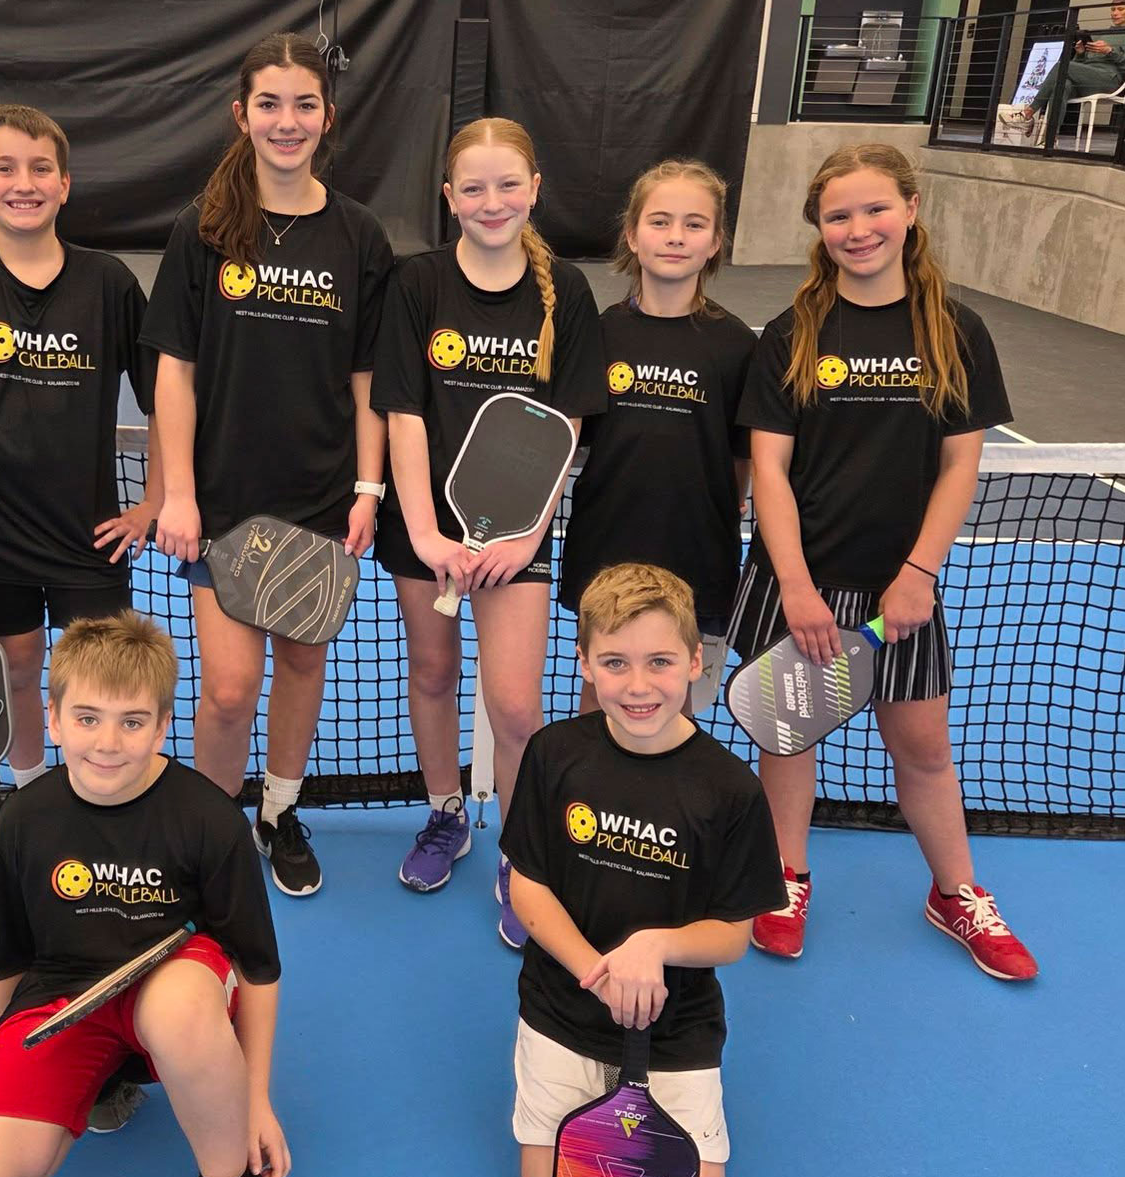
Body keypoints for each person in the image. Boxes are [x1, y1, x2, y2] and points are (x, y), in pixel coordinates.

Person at [733, 142, 1038, 980]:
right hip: (796, 580)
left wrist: (918, 575)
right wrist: (794, 586)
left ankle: (956, 894)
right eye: (838, 215)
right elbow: (769, 469)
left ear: (910, 210)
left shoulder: (956, 331)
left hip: (901, 584)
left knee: (923, 746)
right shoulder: (793, 333)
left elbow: (960, 465)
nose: (858, 228)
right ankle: (784, 878)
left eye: (874, 210)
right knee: (789, 740)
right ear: (818, 227)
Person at [0, 611, 285, 1177]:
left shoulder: (206, 819)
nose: (108, 742)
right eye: (88, 718)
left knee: (178, 1007)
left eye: (133, 722)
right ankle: (104, 1080)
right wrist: (33, 1065)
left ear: (163, 727)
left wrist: (257, 1098)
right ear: (53, 719)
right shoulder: (23, 821)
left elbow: (259, 968)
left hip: (180, 997)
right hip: (69, 996)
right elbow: (5, 960)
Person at [144, 32, 393, 897]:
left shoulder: (360, 235)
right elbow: (173, 370)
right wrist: (178, 492)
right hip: (221, 502)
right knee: (226, 691)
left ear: (328, 117)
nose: (287, 122)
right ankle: (215, 832)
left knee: (301, 665)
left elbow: (369, 378)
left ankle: (279, 813)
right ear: (241, 115)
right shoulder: (202, 230)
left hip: (320, 496)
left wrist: (369, 487)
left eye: (304, 104)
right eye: (269, 104)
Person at [504, 563, 786, 1177]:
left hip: (676, 1034)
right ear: (585, 665)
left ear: (696, 660)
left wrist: (652, 948)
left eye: (660, 662)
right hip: (561, 1014)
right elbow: (528, 889)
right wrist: (597, 973)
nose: (638, 686)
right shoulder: (553, 754)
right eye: (615, 663)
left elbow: (733, 936)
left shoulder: (730, 789)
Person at [374, 116, 605, 944]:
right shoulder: (416, 284)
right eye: (472, 187)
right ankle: (445, 817)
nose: (492, 200)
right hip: (424, 532)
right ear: (449, 198)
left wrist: (527, 537)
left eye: (509, 184)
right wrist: (427, 533)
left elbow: (568, 423)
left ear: (535, 189)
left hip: (520, 539)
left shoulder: (566, 292)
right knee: (432, 673)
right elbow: (401, 412)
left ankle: (520, 852)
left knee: (514, 706)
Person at [0, 104, 161, 791]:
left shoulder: (108, 284)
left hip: (91, 539)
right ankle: (31, 796)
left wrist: (155, 501)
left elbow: (164, 399)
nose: (25, 183)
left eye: (41, 168)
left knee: (101, 683)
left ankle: (101, 794)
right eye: (6, 168)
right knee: (18, 670)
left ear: (65, 184)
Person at [561, 159, 755, 720]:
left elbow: (742, 462)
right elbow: (573, 441)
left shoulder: (738, 346)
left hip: (696, 555)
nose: (675, 236)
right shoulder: (599, 334)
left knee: (677, 712)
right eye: (660, 221)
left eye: (695, 224)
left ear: (717, 241)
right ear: (631, 234)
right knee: (601, 704)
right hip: (606, 553)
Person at [1021, 3, 1125, 121]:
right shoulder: (1101, 34)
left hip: (1109, 79)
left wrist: (1110, 51)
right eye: (1113, 9)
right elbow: (1082, 64)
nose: (1115, 13)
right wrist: (1080, 53)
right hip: (1087, 78)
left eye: (1120, 9)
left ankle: (1028, 112)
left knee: (1062, 65)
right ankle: (1050, 137)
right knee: (1061, 86)